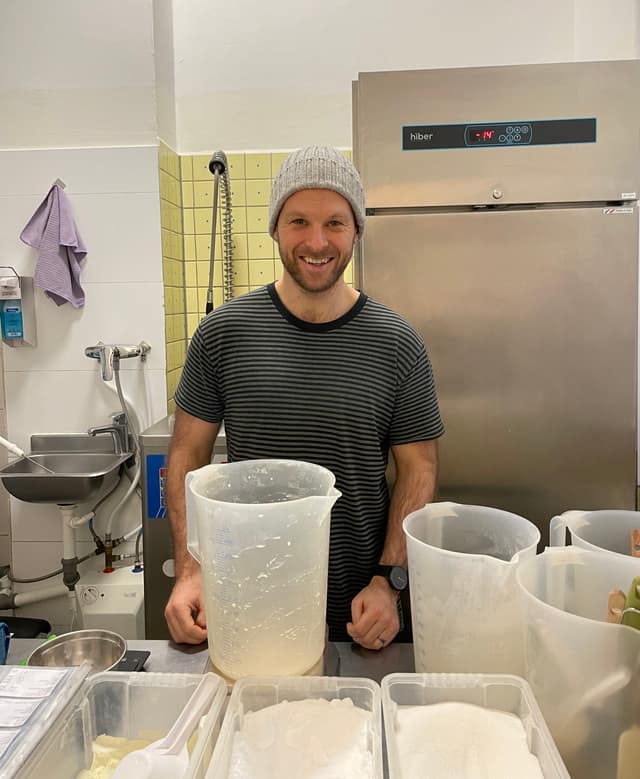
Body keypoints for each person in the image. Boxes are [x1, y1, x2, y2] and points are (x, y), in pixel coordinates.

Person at [164, 146, 444, 649]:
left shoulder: (397, 343)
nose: (317, 242)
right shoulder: (223, 334)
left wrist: (390, 581)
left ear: (357, 230)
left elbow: (418, 469)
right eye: (298, 221)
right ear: (275, 228)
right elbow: (186, 454)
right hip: (250, 604)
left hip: (363, 613)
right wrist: (190, 571)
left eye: (335, 223)